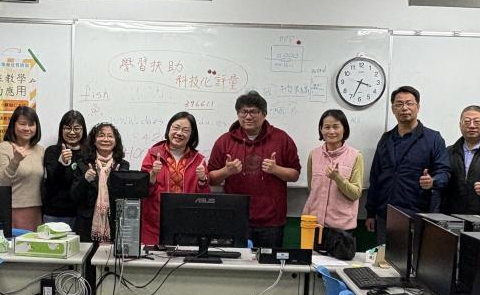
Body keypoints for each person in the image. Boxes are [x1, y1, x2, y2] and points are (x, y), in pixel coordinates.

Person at [208, 90, 300, 248]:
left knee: (269, 263)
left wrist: (276, 169)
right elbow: (211, 178)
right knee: (237, 263)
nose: (248, 116)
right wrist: (226, 172)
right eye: (243, 112)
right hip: (236, 218)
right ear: (238, 114)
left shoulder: (281, 138)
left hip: (271, 221)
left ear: (264, 114)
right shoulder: (225, 141)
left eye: (254, 112)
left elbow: (295, 174)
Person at [365, 86, 450, 244]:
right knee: (383, 258)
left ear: (418, 106)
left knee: (413, 258)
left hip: (417, 215)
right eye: (399, 104)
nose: (404, 108)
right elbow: (375, 177)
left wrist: (432, 181)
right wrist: (371, 212)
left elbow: (444, 172)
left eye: (409, 103)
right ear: (393, 109)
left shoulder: (433, 139)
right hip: (385, 214)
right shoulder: (386, 139)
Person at [140, 112, 210, 246]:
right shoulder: (153, 154)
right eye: (176, 128)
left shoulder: (199, 160)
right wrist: (153, 174)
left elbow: (204, 199)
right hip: (153, 224)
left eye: (185, 130)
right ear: (168, 129)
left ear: (191, 135)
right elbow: (143, 191)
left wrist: (202, 180)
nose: (179, 133)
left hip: (187, 225)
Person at [302, 109, 363, 231]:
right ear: (321, 129)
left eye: (336, 127)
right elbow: (311, 188)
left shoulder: (356, 156)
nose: (331, 131)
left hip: (341, 227)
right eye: (327, 127)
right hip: (314, 223)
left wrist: (338, 178)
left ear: (344, 129)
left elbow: (355, 194)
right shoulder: (313, 154)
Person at [71, 122, 129, 242]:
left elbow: (125, 196)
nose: (105, 139)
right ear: (94, 140)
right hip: (86, 225)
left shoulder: (122, 165)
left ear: (116, 141)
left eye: (110, 136)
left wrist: (117, 180)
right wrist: (85, 180)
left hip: (114, 223)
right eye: (101, 135)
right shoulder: (83, 163)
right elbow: (74, 196)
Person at [0, 106, 45, 231]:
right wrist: (15, 161)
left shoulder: (41, 150)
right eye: (22, 124)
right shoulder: (4, 148)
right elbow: (0, 183)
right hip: (12, 210)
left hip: (36, 211)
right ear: (13, 125)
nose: (27, 128)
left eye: (31, 124)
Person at [43, 110, 86, 228]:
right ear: (61, 130)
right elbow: (52, 181)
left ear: (83, 130)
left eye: (76, 128)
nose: (72, 132)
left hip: (81, 215)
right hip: (55, 213)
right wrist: (62, 163)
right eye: (67, 128)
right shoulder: (52, 151)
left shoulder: (87, 153)